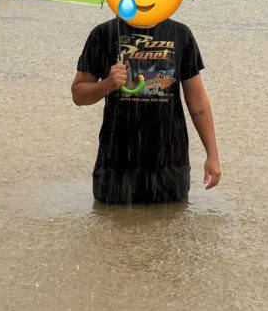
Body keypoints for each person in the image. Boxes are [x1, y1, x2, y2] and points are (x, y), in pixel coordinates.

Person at [71, 15, 221, 205]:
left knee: (172, 222)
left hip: (170, 164)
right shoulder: (103, 34)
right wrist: (107, 84)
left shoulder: (181, 34)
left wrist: (212, 155)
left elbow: (197, 100)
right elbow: (78, 94)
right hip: (115, 165)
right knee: (111, 222)